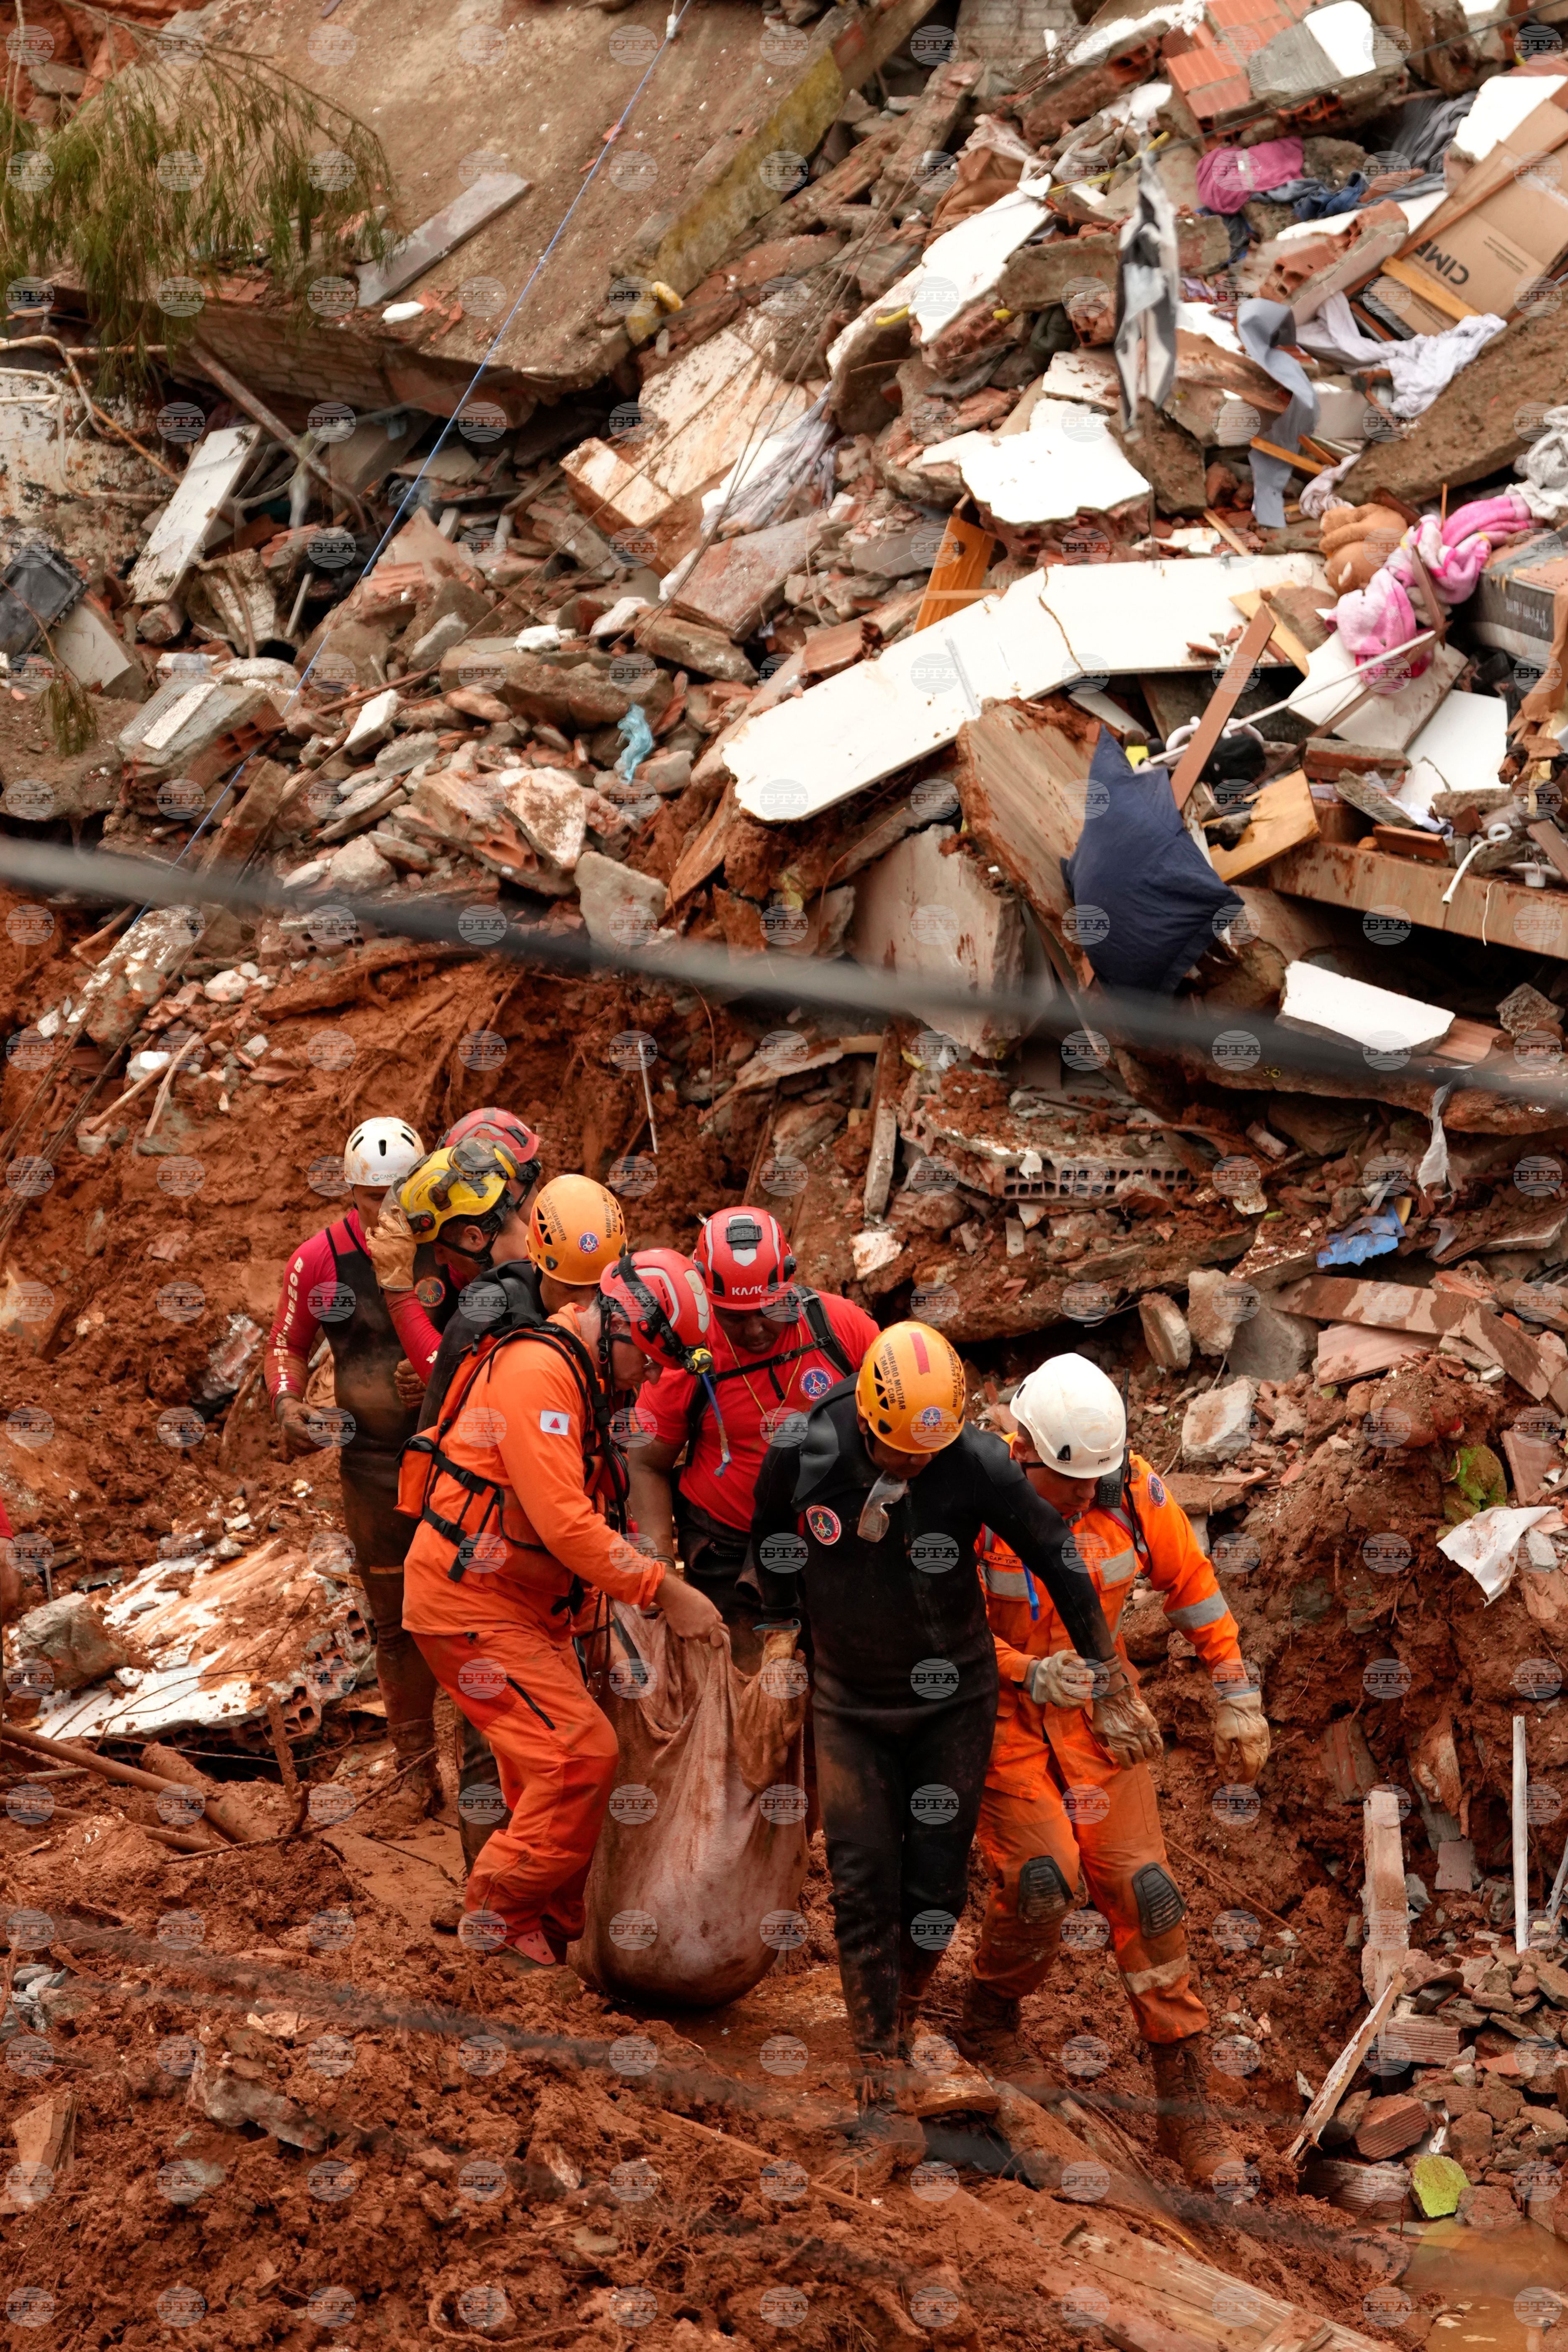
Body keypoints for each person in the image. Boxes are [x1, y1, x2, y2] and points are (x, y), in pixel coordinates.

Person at [750, 1320, 1159, 2132]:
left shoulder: (969, 1461)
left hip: (952, 1704)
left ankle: (900, 2019)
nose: (914, 1468)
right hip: (849, 1703)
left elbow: (1057, 1556)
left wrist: (1107, 1674)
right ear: (868, 1420)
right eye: (901, 1454)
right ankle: (880, 2071)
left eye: (927, 1456)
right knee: (865, 1881)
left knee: (934, 1887)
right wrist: (777, 1631)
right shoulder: (805, 1450)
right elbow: (766, 1536)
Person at [957, 1352, 1270, 2189]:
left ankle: (1187, 2110)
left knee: (1147, 1891)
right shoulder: (969, 1496)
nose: (1086, 1499)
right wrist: (1025, 1673)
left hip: (1101, 1710)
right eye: (1070, 1484)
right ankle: (988, 2019)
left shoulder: (1128, 1492)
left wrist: (1235, 1691)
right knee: (1043, 1879)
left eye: (1097, 1482)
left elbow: (1193, 1586)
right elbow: (937, 1632)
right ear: (1022, 1452)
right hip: (1003, 1710)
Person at [398, 1246, 725, 1973]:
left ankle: (541, 1934)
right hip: (467, 1600)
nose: (647, 1380)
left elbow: (581, 1516)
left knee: (540, 1778)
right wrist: (663, 1591)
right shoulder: (539, 1373)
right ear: (613, 1326)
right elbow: (563, 1524)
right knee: (578, 1758)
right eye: (645, 1360)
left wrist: (588, 1624)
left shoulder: (580, 1378)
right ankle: (496, 1921)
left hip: (518, 1601)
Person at [265, 1116, 442, 1811]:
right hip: (372, 1463)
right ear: (352, 1191)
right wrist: (287, 1406)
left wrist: (439, 1375)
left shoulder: (450, 1248)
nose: (389, 1209)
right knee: (394, 1621)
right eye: (374, 1197)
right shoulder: (318, 1259)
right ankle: (415, 1769)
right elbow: (287, 1344)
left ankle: (499, 1771)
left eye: (402, 1193)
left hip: (459, 1457)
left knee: (484, 1615)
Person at [625, 1206, 879, 1671]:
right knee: (743, 1691)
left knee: (841, 1678)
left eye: (770, 1308)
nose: (757, 1329)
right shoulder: (687, 1354)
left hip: (835, 1542)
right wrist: (660, 1571)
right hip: (728, 1553)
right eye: (735, 1318)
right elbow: (645, 1462)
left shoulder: (842, 1331)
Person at [370, 1107, 543, 1411]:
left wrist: (397, 1291)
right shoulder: (549, 1256)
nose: (438, 1257)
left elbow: (452, 1381)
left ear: (475, 1237)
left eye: (440, 1247)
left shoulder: (506, 1295)